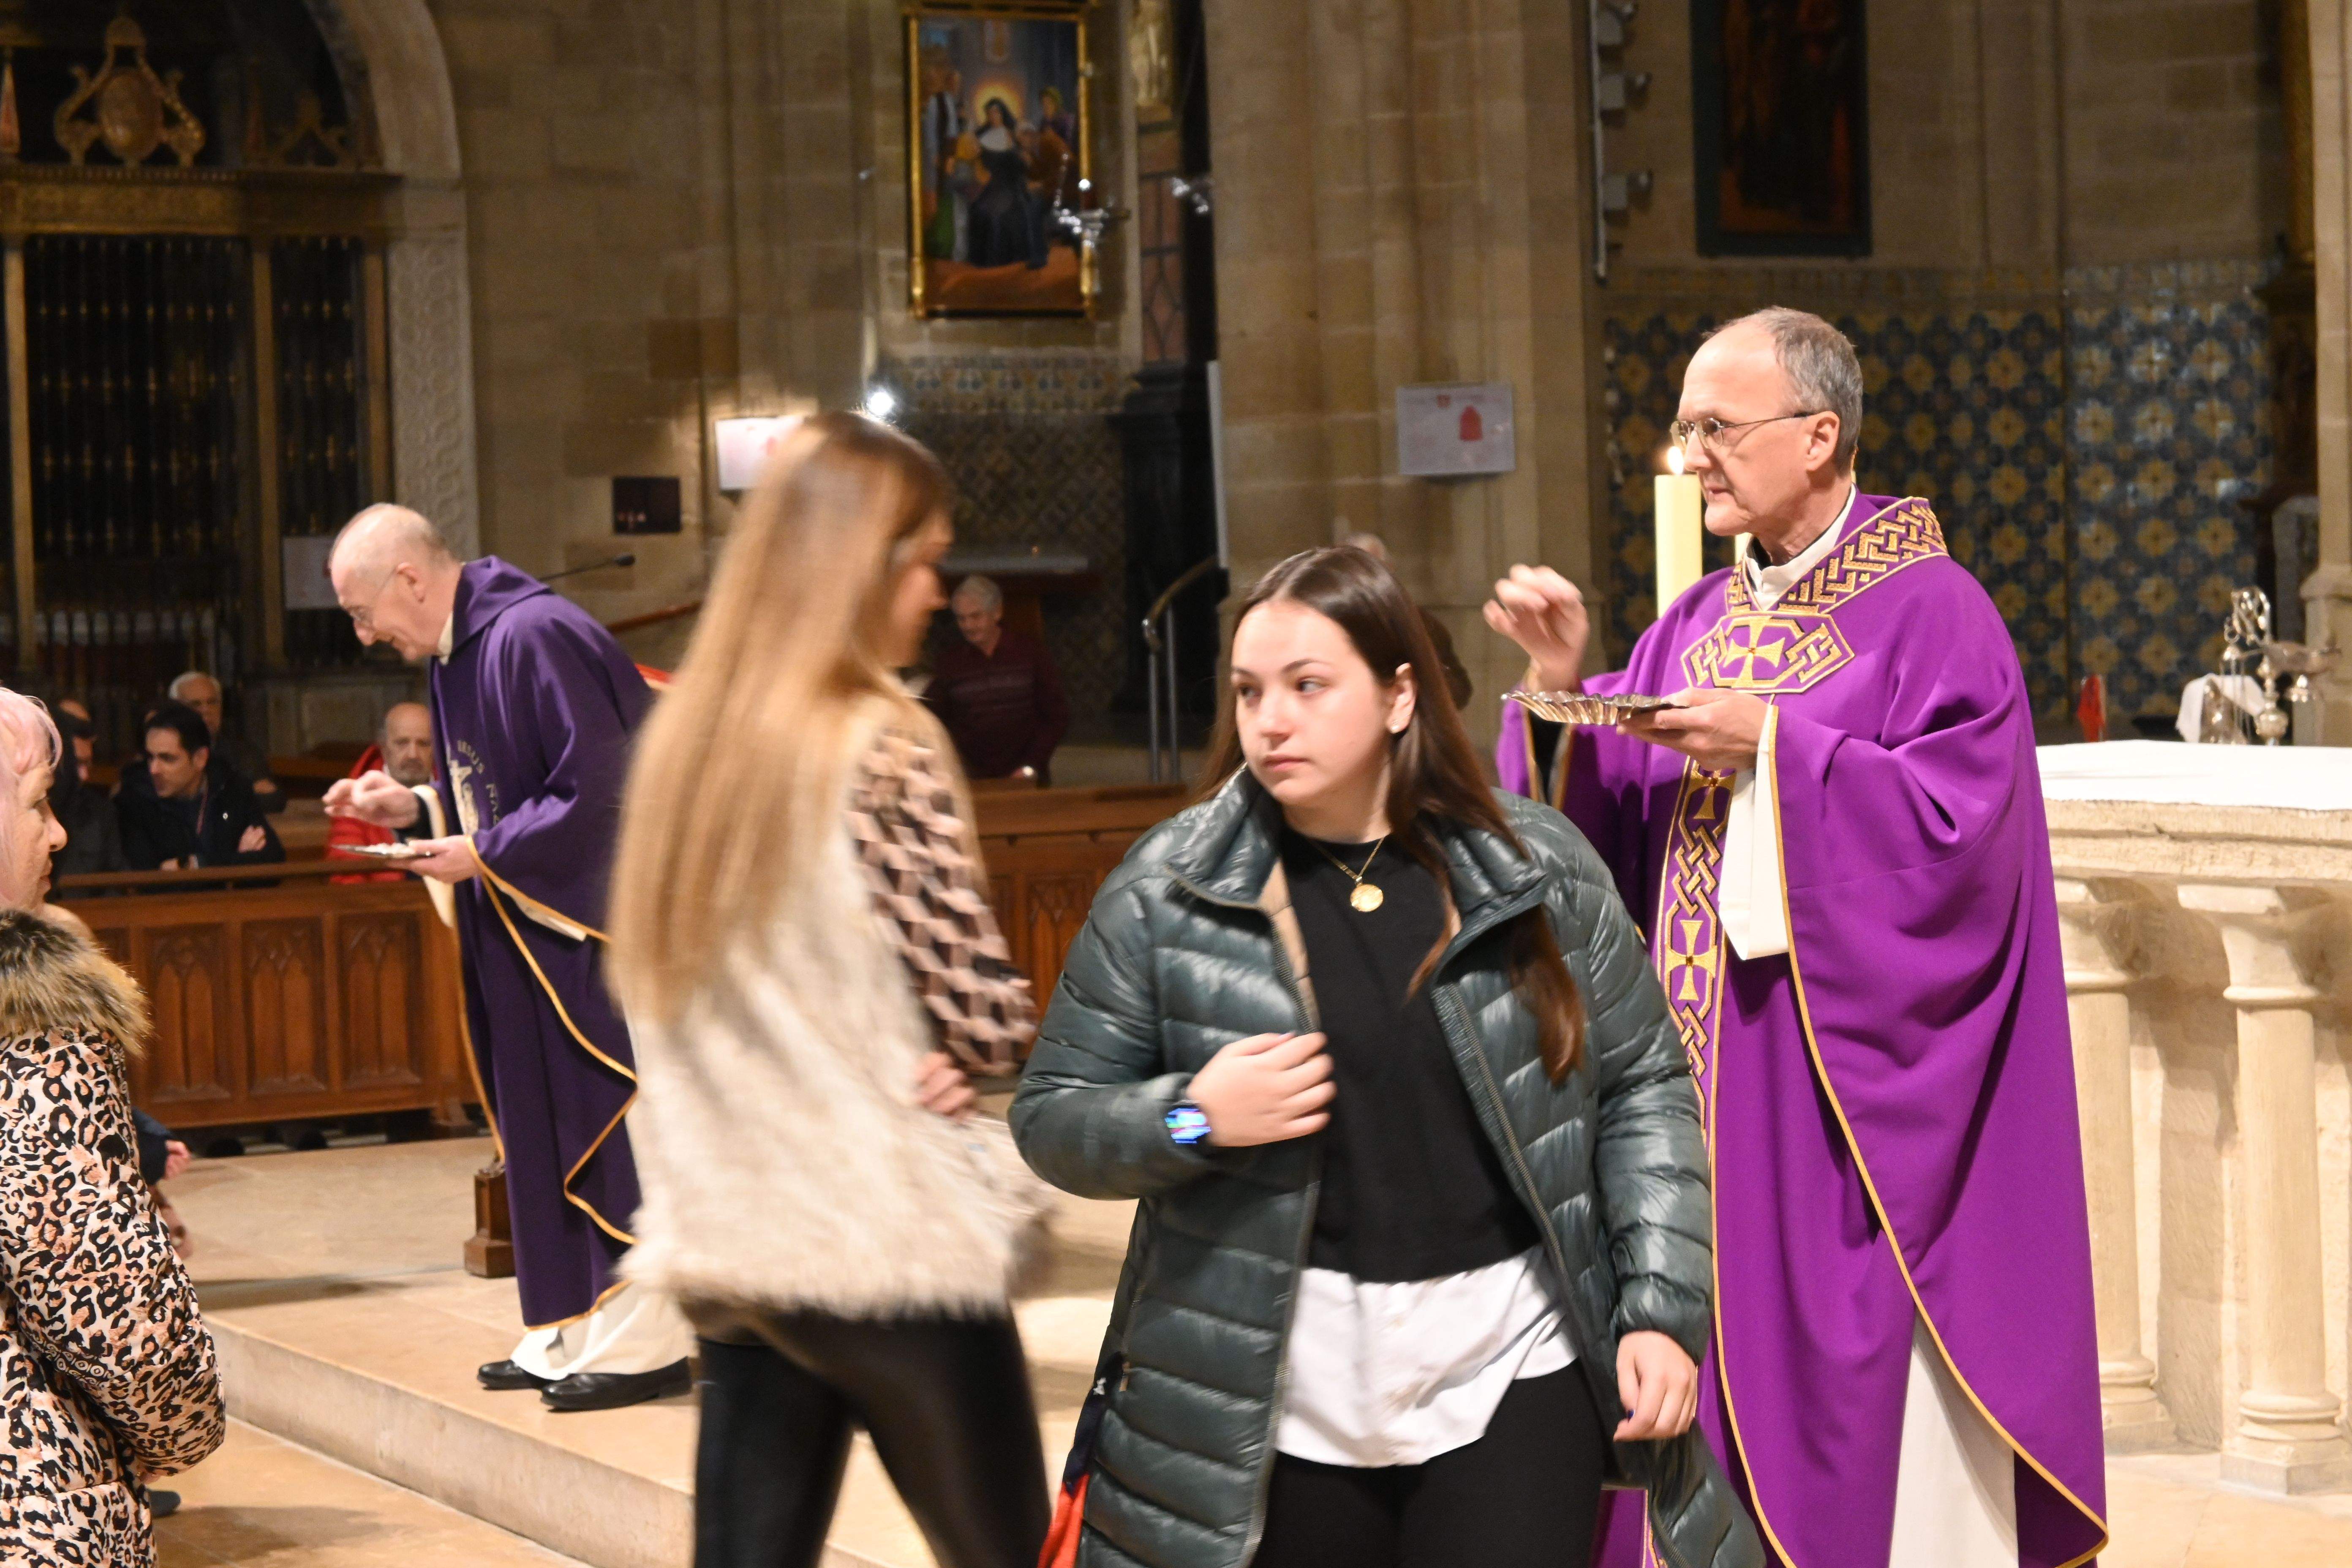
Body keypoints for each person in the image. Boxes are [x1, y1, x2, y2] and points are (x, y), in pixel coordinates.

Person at [1486, 307, 2104, 1568]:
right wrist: (1574, 685)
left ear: (1819, 435)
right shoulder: (1697, 619)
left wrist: (1774, 749)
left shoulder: (1934, 613)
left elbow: (1959, 849)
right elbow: (1605, 835)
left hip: (1826, 1122)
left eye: (1716, 426)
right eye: (1683, 429)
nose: (1690, 453)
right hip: (1683, 1100)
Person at [1011, 546, 1757, 1568]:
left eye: (1308, 686)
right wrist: (1193, 1115)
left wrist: (1660, 1311)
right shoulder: (1167, 889)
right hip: (1279, 1390)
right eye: (1247, 691)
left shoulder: (1533, 864)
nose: (1269, 720)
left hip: (1512, 1368)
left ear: (1400, 695)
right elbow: (1052, 1115)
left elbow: (1642, 1088)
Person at [609, 413, 1054, 1568]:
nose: (934, 589)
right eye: (920, 559)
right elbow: (978, 1013)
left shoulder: (683, 751)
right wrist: (988, 1032)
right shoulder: (884, 741)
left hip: (740, 1244)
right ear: (858, 565)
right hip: (881, 1236)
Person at [321, 505, 692, 1413]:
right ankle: (566, 1321)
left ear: (410, 577)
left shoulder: (533, 632)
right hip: (525, 930)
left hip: (589, 936)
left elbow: (605, 789)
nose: (365, 634)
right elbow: (492, 790)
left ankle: (645, 1339)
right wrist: (413, 807)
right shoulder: (461, 652)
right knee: (541, 1129)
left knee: (609, 1127)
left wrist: (482, 852)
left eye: (363, 611)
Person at [0, 687, 225, 1564]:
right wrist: (188, 1423)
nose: (57, 833)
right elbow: (106, 1299)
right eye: (35, 804)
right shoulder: (34, 1025)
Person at [925, 574, 1069, 783]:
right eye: (961, 618)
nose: (968, 626)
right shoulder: (951, 663)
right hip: (973, 779)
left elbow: (1056, 715)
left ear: (997, 612)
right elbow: (934, 719)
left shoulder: (1029, 653)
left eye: (976, 617)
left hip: (1027, 776)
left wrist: (1032, 765)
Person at [115, 701, 284, 872]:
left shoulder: (231, 789)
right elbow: (150, 881)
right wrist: (237, 861)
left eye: (167, 759)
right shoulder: (133, 802)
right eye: (151, 758)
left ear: (200, 759)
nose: (154, 770)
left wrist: (193, 865)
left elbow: (273, 860)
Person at [1344, 531, 1475, 711]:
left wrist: (1417, 689)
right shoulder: (1327, 625)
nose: (1367, 582)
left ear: (1390, 571)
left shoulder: (1423, 625)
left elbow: (1459, 691)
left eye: (1375, 570)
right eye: (1357, 572)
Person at [327, 702, 435, 884]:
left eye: (424, 744)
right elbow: (346, 876)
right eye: (402, 743)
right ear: (383, 746)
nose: (413, 755)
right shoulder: (356, 799)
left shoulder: (458, 792)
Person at [167, 671, 285, 814]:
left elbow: (273, 799)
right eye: (196, 704)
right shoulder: (163, 753)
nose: (206, 710)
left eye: (212, 703)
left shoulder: (243, 752)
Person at [49, 711, 128, 878]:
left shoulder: (101, 811)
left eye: (88, 763)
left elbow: (117, 878)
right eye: (77, 763)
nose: (85, 775)